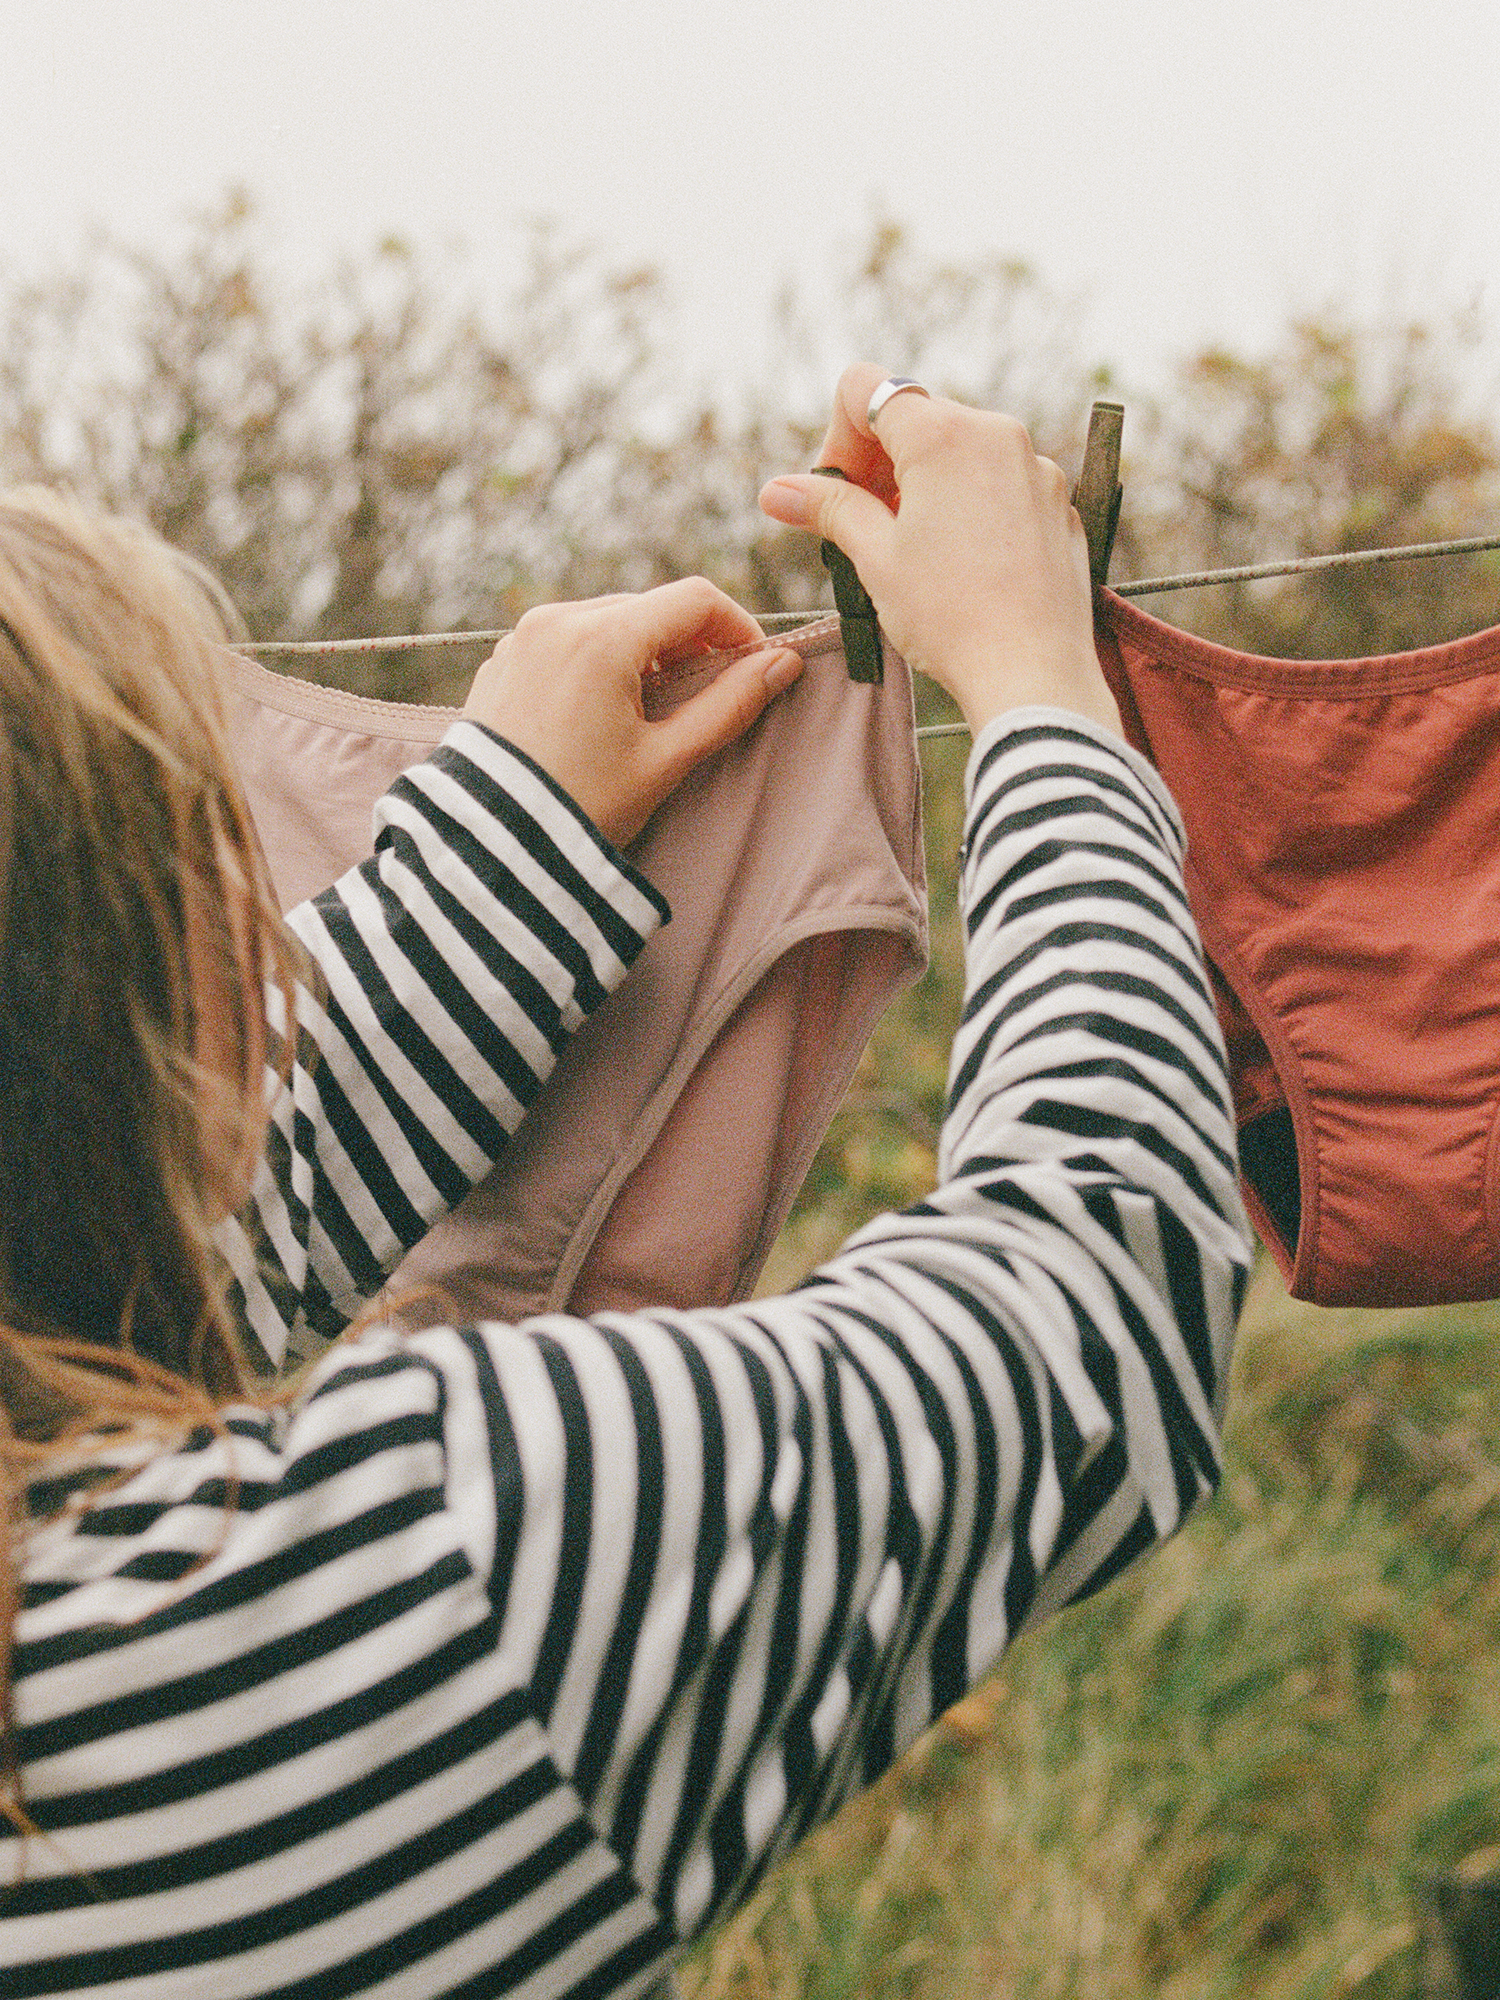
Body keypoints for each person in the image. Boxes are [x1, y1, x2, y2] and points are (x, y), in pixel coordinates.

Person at [0, 365, 1251, 1998]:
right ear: (218, 981)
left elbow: (195, 1227)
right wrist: (1035, 679)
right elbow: (1089, 1303)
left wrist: (507, 834)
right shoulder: (404, 1595)